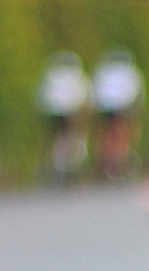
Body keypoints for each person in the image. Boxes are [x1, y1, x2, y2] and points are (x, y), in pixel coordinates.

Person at [36, 52, 89, 184]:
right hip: (68, 111)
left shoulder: (52, 75)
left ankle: (61, 166)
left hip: (55, 112)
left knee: (59, 137)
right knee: (72, 136)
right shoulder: (76, 75)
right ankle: (68, 165)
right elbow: (83, 100)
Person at [91, 49, 144, 180]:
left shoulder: (103, 70)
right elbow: (137, 96)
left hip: (106, 106)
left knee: (106, 132)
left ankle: (106, 162)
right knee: (122, 131)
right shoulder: (130, 71)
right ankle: (121, 160)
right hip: (123, 106)